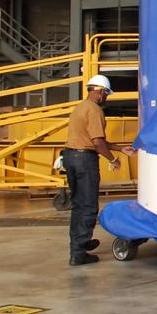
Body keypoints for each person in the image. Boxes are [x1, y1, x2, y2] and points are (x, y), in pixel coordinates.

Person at [62, 75, 131, 266]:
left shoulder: (80, 107)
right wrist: (113, 159)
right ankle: (79, 252)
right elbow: (98, 143)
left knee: (78, 204)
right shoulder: (95, 110)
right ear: (100, 91)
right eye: (106, 93)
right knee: (88, 205)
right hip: (85, 160)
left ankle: (79, 243)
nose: (107, 97)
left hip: (71, 157)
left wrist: (120, 148)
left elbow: (95, 139)